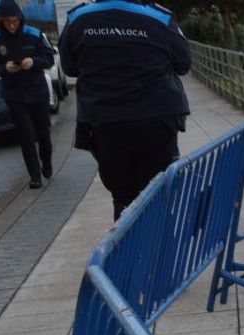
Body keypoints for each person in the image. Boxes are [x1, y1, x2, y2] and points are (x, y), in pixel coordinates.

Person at [59, 0, 191, 219]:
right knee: (158, 193)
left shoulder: (77, 19)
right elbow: (184, 63)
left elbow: (69, 67)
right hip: (155, 118)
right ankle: (157, 237)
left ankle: (129, 239)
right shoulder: (158, 17)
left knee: (122, 197)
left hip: (105, 123)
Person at [0, 0, 53, 189]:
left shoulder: (34, 34)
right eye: (7, 22)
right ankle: (35, 175)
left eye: (14, 21)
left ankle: (47, 162)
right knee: (26, 135)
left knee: (43, 132)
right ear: (1, 21)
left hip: (37, 90)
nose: (11, 25)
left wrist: (33, 62)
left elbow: (48, 59)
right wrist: (5, 68)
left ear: (20, 19)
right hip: (14, 93)